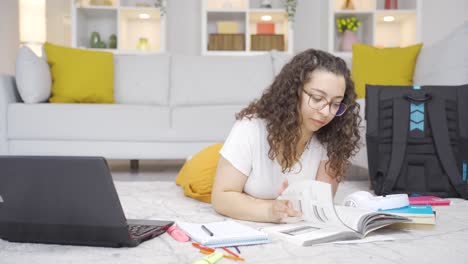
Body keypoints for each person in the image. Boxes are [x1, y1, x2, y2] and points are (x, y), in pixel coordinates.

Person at [211, 49, 361, 223]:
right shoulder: (251, 128)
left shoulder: (333, 137)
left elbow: (321, 205)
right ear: (294, 91)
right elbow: (221, 197)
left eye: (336, 104)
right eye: (318, 98)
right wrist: (269, 210)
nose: (326, 112)